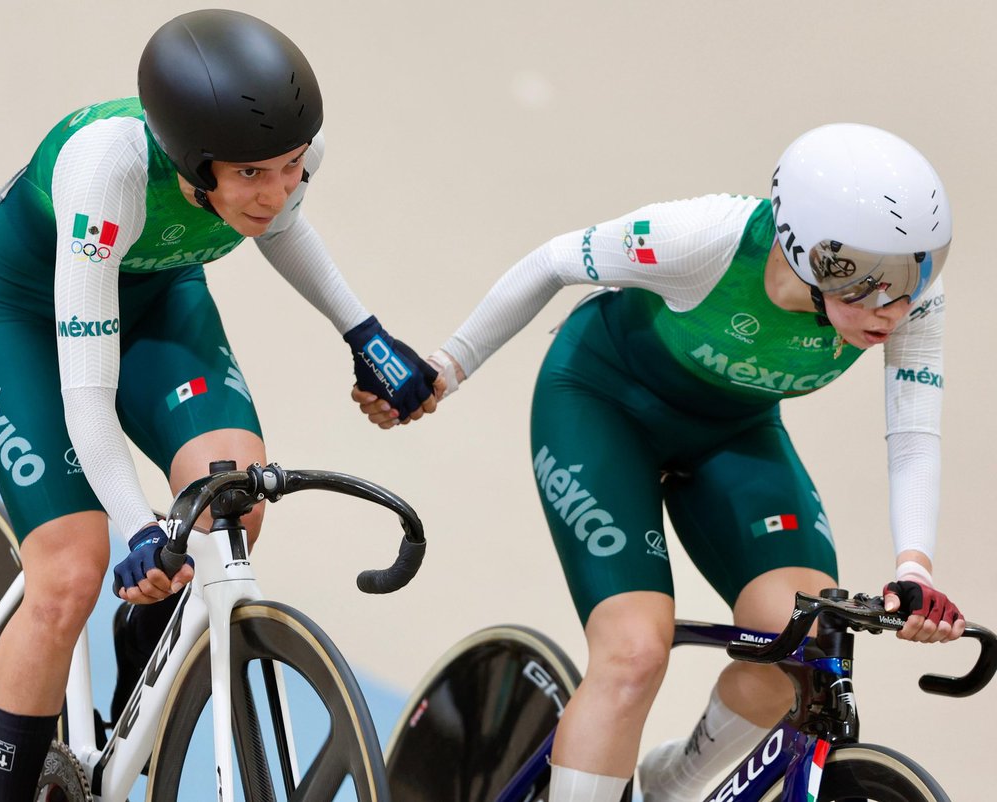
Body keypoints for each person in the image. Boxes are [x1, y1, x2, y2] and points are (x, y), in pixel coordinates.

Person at [354, 123, 965, 801]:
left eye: (913, 274)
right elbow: (554, 261)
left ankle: (671, 786)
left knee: (802, 645)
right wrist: (446, 367)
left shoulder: (915, 299)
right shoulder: (704, 238)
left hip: (733, 430)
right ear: (803, 250)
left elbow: (914, 432)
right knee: (634, 654)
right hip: (602, 403)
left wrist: (914, 570)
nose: (894, 307)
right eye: (868, 283)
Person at [0, 10, 439, 800]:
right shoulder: (106, 172)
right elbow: (87, 397)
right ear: (191, 162)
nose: (277, 191)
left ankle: (129, 712)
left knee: (234, 502)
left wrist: (365, 335)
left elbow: (283, 228)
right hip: (26, 319)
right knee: (70, 573)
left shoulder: (285, 155)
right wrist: (139, 527)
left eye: (291, 166)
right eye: (251, 175)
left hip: (157, 297)